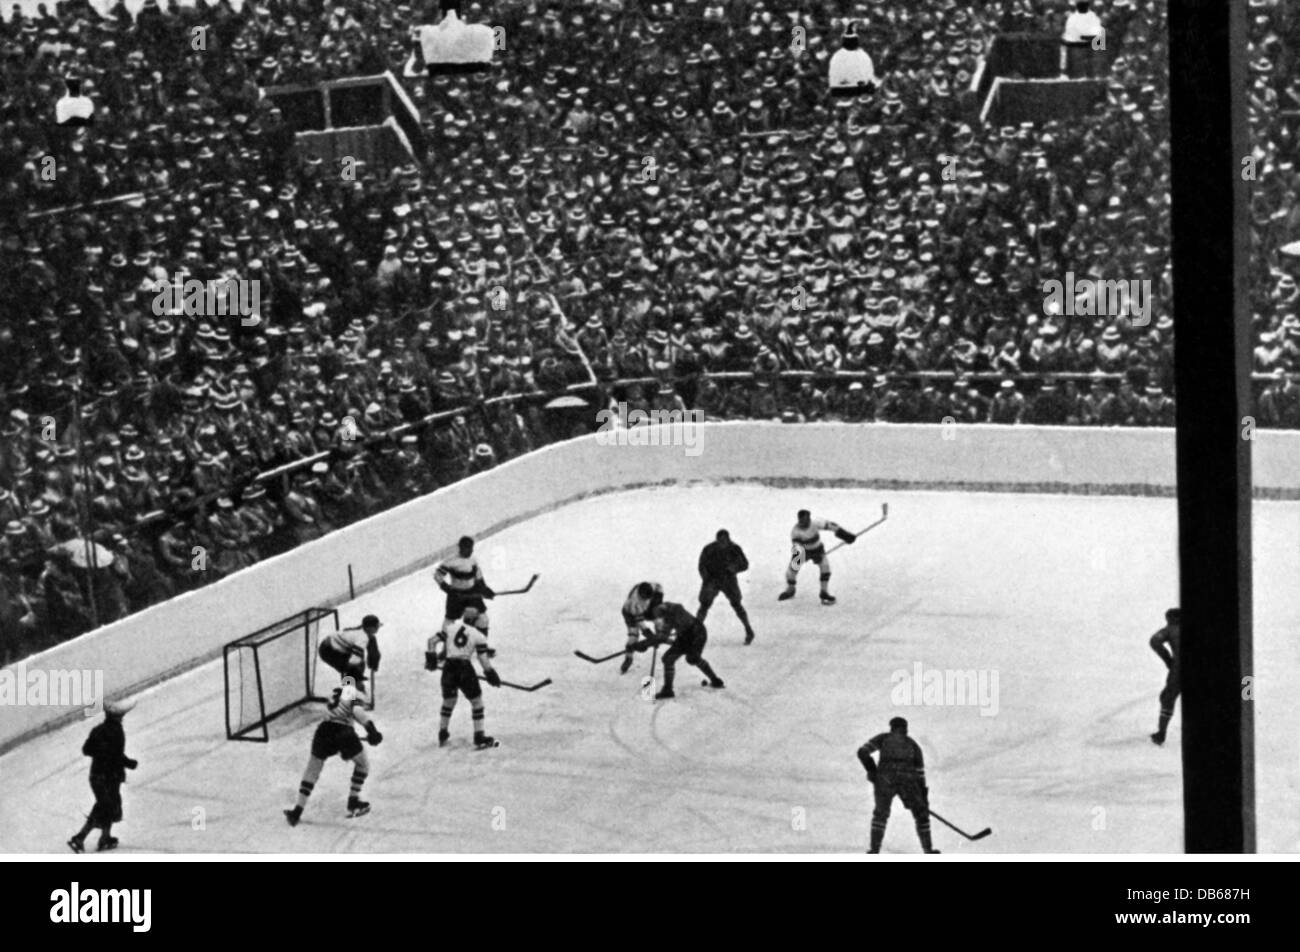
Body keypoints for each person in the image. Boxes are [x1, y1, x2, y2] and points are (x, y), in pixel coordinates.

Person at [284, 677, 383, 826]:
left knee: (312, 769)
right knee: (363, 765)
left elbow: (338, 711)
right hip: (344, 733)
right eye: (361, 682)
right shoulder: (352, 691)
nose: (363, 685)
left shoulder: (335, 692)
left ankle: (297, 811)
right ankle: (353, 802)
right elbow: (357, 711)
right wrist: (372, 730)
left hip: (323, 731)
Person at [856, 717, 938, 854]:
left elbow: (862, 752)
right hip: (909, 782)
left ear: (891, 727)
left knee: (880, 815)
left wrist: (873, 771)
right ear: (905, 728)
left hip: (885, 780)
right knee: (921, 815)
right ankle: (928, 851)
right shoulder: (913, 744)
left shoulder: (883, 738)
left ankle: (874, 851)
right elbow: (920, 775)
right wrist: (923, 800)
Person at [68, 699, 138, 853]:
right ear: (118, 718)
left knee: (107, 805)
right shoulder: (117, 732)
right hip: (110, 776)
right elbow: (117, 755)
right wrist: (130, 763)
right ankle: (80, 837)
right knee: (105, 807)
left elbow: (86, 749)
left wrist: (101, 751)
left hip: (96, 775)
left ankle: (104, 837)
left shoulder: (97, 730)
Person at [427, 605, 500, 749]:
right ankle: (479, 736)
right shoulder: (479, 636)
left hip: (448, 668)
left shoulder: (450, 628)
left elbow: (432, 641)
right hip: (464, 669)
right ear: (475, 621)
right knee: (477, 702)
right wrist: (491, 674)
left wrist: (431, 659)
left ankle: (443, 732)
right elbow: (483, 659)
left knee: (449, 701)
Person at [632, 600, 723, 700]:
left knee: (693, 659)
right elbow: (663, 636)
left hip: (697, 634)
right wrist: (649, 642)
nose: (656, 617)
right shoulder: (665, 614)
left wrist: (647, 643)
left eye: (656, 614)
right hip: (684, 636)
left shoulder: (675, 609)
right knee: (668, 659)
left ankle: (715, 679)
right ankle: (668, 690)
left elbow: (663, 636)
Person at [779, 510, 855, 605]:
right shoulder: (795, 532)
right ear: (799, 520)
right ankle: (790, 589)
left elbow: (832, 526)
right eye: (802, 521)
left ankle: (824, 592)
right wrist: (806, 555)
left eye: (807, 520)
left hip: (817, 549)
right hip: (802, 552)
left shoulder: (815, 523)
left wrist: (845, 535)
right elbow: (797, 548)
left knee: (825, 567)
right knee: (791, 572)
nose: (805, 522)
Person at [696, 529, 755, 645]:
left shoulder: (735, 549)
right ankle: (694, 633)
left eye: (724, 540)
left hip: (728, 580)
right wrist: (706, 578)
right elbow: (701, 565)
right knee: (704, 606)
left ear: (728, 539)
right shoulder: (709, 549)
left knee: (737, 605)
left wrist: (734, 568)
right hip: (712, 580)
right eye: (719, 540)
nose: (722, 543)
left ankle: (748, 630)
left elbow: (745, 564)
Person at [434, 536, 493, 638]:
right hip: (456, 595)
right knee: (449, 623)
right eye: (467, 548)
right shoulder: (450, 561)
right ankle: (446, 649)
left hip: (472, 593)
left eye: (471, 548)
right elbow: (437, 575)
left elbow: (478, 577)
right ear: (460, 548)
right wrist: (447, 589)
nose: (470, 550)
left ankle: (481, 646)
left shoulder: (473, 560)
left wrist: (485, 589)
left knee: (483, 619)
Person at [318, 614, 382, 687]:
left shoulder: (363, 631)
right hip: (328, 651)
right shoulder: (362, 638)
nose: (378, 628)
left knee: (358, 666)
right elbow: (353, 662)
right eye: (376, 627)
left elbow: (371, 644)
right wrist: (355, 677)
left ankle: (353, 683)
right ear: (369, 628)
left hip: (334, 645)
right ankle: (348, 692)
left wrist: (373, 659)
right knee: (354, 667)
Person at [1148, 608, 1181, 746]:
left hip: (1179, 670)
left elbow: (1155, 641)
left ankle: (1161, 734)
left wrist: (1168, 660)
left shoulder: (1171, 629)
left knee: (1167, 698)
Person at [619, 580, 664, 675]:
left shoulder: (654, 587)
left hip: (645, 609)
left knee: (658, 617)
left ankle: (660, 632)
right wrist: (650, 635)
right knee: (634, 636)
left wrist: (657, 602)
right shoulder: (634, 603)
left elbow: (659, 589)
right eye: (644, 598)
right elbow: (640, 623)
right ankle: (628, 658)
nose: (646, 599)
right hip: (630, 614)